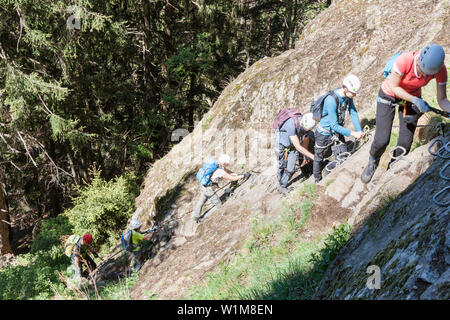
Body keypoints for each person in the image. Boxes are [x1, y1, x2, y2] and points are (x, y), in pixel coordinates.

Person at [361, 44, 449, 184]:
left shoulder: (440, 70)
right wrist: (416, 100)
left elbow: (442, 99)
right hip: (389, 94)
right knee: (382, 139)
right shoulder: (405, 61)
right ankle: (373, 161)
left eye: (428, 75)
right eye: (422, 71)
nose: (424, 76)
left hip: (412, 96)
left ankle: (391, 167)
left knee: (405, 143)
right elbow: (394, 87)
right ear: (420, 60)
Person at [313, 74, 365, 183]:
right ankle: (317, 180)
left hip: (337, 130)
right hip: (324, 133)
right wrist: (353, 133)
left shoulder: (347, 96)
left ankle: (341, 180)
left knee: (343, 156)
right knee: (319, 157)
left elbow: (353, 111)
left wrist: (359, 130)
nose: (354, 95)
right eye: (353, 92)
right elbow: (333, 125)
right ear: (345, 88)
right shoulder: (331, 100)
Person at [193, 154, 250, 222]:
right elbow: (232, 178)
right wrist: (243, 176)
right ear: (224, 163)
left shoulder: (216, 164)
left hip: (203, 186)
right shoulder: (219, 171)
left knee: (201, 201)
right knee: (218, 205)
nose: (228, 165)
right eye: (227, 164)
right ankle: (202, 219)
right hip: (209, 190)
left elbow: (227, 172)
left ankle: (195, 216)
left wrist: (237, 174)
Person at [275, 112, 316, 195]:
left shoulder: (306, 127)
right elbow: (298, 146)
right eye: (304, 129)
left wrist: (305, 156)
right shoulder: (291, 123)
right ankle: (281, 185)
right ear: (302, 123)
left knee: (291, 168)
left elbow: (305, 140)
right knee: (282, 166)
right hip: (282, 145)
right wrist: (313, 156)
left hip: (292, 146)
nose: (305, 131)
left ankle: (282, 184)